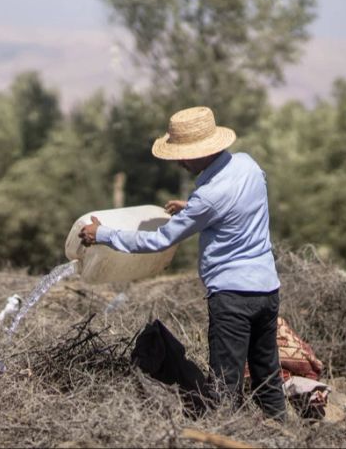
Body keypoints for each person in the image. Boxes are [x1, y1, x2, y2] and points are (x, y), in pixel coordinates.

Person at [79, 106, 286, 420]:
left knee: (224, 389)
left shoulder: (208, 198)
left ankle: (224, 436)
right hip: (268, 290)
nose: (179, 162)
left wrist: (103, 234)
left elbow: (158, 240)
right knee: (267, 377)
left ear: (199, 153)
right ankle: (282, 434)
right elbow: (239, 204)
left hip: (232, 299)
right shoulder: (248, 165)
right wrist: (192, 209)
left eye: (182, 155)